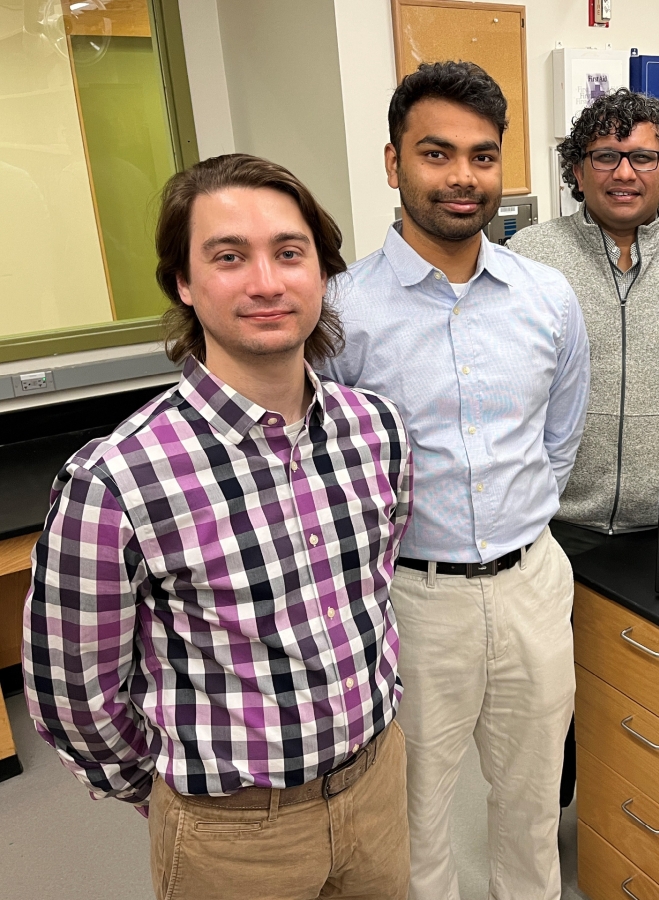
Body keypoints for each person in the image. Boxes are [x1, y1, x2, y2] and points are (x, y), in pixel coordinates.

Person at [23, 154, 413, 900]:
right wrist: (172, 796)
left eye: (289, 253)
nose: (266, 282)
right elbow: (75, 696)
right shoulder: (116, 481)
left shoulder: (379, 431)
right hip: (231, 830)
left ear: (322, 273)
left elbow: (374, 583)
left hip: (376, 785)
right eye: (229, 257)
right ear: (184, 282)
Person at [322, 61, 590, 900]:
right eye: (437, 154)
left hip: (533, 584)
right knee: (414, 816)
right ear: (394, 163)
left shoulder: (547, 299)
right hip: (408, 598)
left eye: (482, 155)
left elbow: (557, 441)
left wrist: (514, 527)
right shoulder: (341, 313)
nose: (463, 177)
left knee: (531, 802)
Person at [507, 88, 659, 556]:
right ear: (577, 172)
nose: (624, 173)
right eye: (605, 157)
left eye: (643, 157)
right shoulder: (527, 258)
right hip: (552, 522)